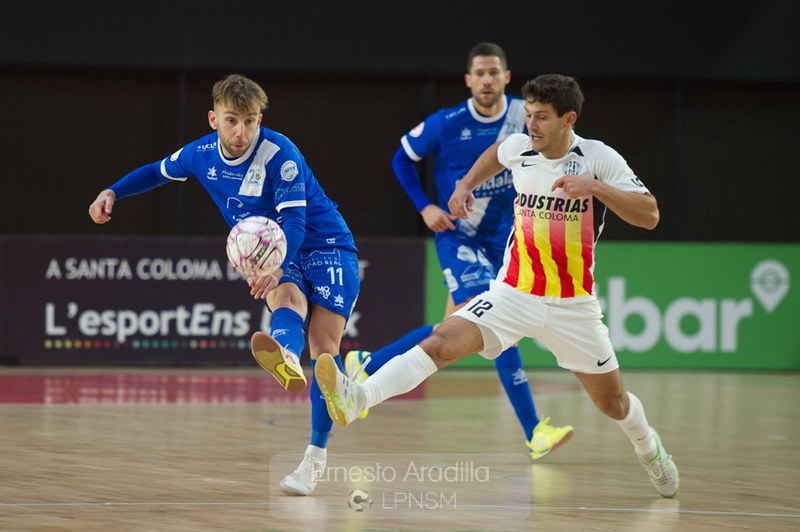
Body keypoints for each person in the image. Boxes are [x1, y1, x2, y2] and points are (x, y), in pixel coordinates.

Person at [316, 74, 680, 498]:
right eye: (528, 115)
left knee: (613, 403)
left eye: (542, 118)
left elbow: (650, 213)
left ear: (569, 119)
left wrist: (594, 187)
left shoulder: (598, 157)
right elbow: (496, 153)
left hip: (571, 306)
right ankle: (359, 397)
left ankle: (649, 448)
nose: (531, 125)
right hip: (512, 293)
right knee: (440, 341)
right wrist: (466, 184)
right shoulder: (520, 147)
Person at [88, 74, 360, 496]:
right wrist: (113, 191)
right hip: (272, 249)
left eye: (250, 121)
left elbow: (296, 223)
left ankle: (315, 456)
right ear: (213, 119)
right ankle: (285, 355)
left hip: (326, 245)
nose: (241, 131)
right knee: (284, 296)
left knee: (324, 352)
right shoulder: (200, 154)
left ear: (259, 120)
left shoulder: (280, 154)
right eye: (232, 120)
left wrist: (278, 262)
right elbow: (157, 172)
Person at [344, 42, 573, 460]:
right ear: (469, 80)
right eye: (479, 73)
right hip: (458, 237)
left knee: (449, 330)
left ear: (506, 77)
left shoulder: (527, 116)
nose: (487, 79)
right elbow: (401, 159)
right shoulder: (446, 123)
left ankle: (367, 362)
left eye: (494, 72)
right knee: (498, 319)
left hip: (507, 241)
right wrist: (425, 206)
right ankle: (534, 430)